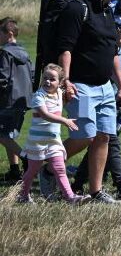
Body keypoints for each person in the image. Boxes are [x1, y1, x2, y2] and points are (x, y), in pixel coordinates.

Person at [55, 0, 121, 205]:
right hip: (81, 85)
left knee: (103, 137)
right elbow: (65, 49)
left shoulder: (108, 11)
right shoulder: (78, 9)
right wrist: (65, 82)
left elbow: (113, 52)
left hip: (105, 86)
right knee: (85, 137)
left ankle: (96, 191)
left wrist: (120, 85)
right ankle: (46, 167)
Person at [17, 64, 90, 205]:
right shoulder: (39, 96)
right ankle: (23, 195)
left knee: (60, 168)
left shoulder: (59, 93)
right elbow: (45, 115)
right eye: (45, 78)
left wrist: (80, 96)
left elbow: (73, 96)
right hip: (37, 142)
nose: (48, 81)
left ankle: (71, 198)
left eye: (52, 79)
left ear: (60, 82)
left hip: (53, 141)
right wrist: (64, 120)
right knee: (32, 171)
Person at [1, 17, 33, 183]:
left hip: (8, 101)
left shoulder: (5, 53)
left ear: (9, 34)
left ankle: (26, 158)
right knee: (8, 135)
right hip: (23, 101)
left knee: (2, 135)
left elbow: (2, 78)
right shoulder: (26, 53)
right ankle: (14, 171)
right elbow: (33, 76)